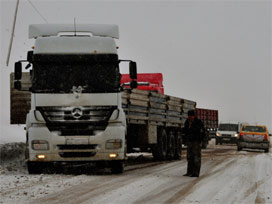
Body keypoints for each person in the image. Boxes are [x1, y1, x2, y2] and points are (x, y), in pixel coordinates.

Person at [183, 109, 205, 177]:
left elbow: (202, 132)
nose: (190, 117)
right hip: (190, 141)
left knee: (196, 157)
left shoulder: (198, 122)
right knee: (189, 157)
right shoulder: (187, 122)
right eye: (189, 116)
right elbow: (185, 130)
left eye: (191, 116)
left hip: (196, 142)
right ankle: (189, 172)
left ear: (194, 116)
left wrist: (200, 140)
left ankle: (196, 172)